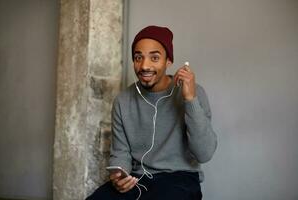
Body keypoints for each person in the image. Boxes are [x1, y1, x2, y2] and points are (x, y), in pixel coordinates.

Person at [86, 25, 217, 200]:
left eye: (154, 57)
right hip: (137, 178)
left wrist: (190, 99)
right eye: (138, 57)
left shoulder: (193, 92)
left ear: (168, 61)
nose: (144, 65)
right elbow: (120, 153)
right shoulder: (123, 101)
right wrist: (119, 176)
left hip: (180, 179)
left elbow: (204, 153)